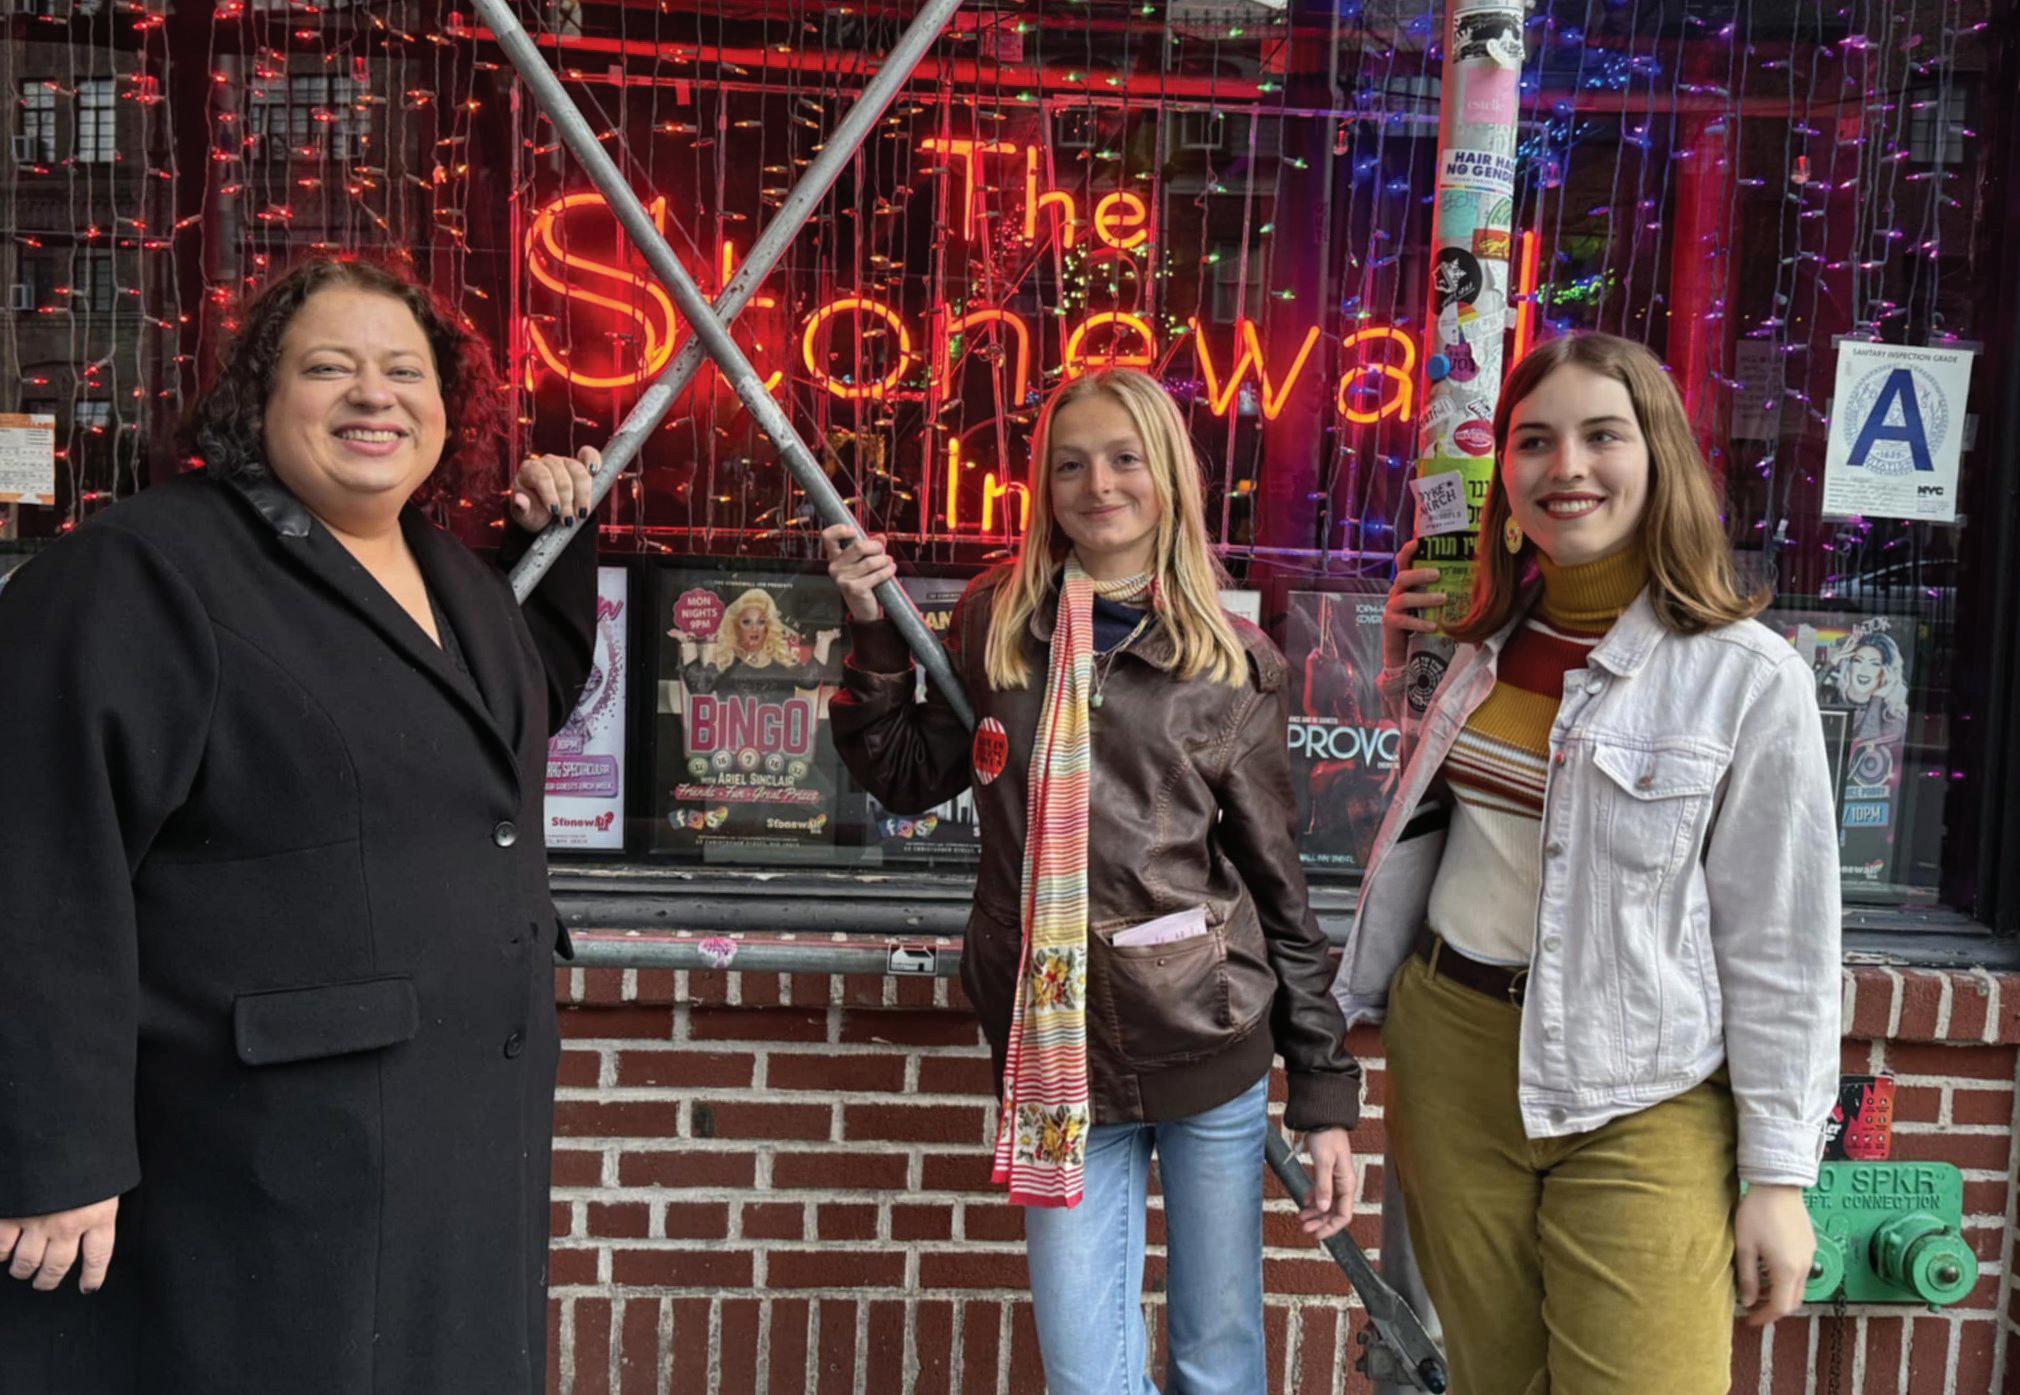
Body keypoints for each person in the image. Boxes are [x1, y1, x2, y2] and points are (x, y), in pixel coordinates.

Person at [0, 256, 600, 1394]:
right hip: (261, 1170)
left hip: (459, 1151)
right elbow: (35, 869)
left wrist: (553, 549)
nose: (375, 395)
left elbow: (488, 730)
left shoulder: (453, 576)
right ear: (257, 399)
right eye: (329, 368)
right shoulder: (143, 573)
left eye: (405, 372)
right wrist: (52, 1154)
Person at [823, 367, 1362, 1395]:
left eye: (1123, 459)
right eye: (1069, 464)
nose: (1097, 484)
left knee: (1214, 1362)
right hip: (1053, 1047)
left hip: (1207, 1040)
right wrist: (869, 627)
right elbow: (908, 772)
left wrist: (1323, 1091)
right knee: (1085, 1375)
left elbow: (1276, 889)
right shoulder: (996, 619)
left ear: (1169, 476)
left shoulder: (1231, 660)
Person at [1334, 332, 1841, 1393]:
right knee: (1497, 1381)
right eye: (1533, 441)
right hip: (1454, 1058)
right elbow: (1452, 833)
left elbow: (1783, 945)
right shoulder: (1476, 642)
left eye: (1601, 436)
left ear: (1658, 458)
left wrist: (1779, 1176)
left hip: (1641, 1088)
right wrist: (1404, 675)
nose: (1565, 467)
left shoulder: (1747, 678)